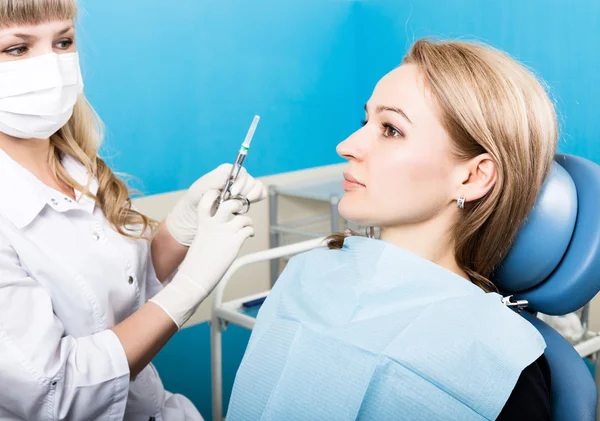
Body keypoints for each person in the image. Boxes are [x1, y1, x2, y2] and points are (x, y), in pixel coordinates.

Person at [227, 38, 556, 420]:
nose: (346, 145)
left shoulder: (498, 362)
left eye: (391, 129)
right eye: (365, 121)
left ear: (472, 177)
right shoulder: (307, 273)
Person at [0, 1, 266, 420]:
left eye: (63, 41)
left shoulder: (77, 167)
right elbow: (58, 395)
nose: (50, 66)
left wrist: (181, 229)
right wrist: (189, 288)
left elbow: (122, 292)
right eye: (17, 49)